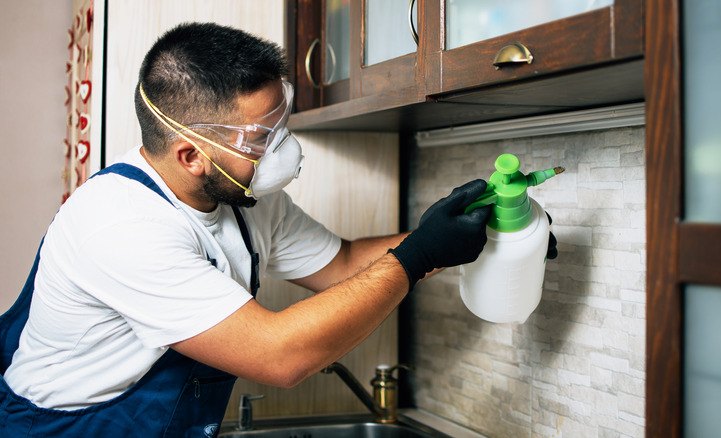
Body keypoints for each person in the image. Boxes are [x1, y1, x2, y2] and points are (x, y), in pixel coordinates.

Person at [0, 23, 554, 437]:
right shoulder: (120, 227)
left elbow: (341, 266)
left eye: (280, 126)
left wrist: (471, 235)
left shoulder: (245, 195)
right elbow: (279, 356)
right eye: (262, 140)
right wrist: (416, 258)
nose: (284, 152)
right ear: (192, 155)